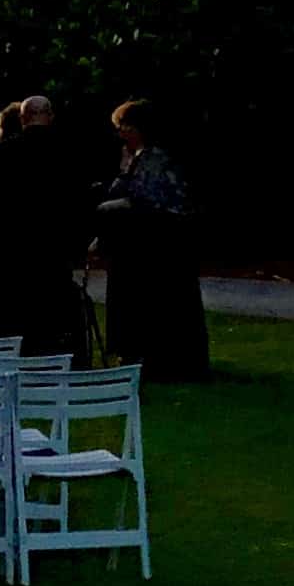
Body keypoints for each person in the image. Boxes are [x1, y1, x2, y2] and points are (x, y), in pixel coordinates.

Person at [0, 92, 92, 358]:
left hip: (7, 257)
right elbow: (82, 203)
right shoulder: (70, 155)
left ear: (22, 119)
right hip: (53, 258)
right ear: (50, 117)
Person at [97, 97, 210, 381]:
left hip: (159, 248)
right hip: (156, 245)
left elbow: (142, 203)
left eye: (123, 127)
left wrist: (104, 210)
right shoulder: (143, 159)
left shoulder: (155, 160)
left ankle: (158, 360)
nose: (120, 134)